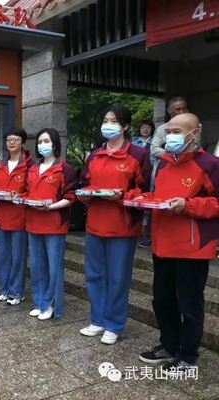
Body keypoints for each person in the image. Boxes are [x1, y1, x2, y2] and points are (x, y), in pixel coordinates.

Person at [138, 113, 219, 377]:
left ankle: (188, 356)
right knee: (163, 299)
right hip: (162, 243)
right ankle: (169, 346)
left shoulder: (210, 164)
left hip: (191, 247)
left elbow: (216, 202)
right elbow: (159, 195)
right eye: (168, 131)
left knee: (189, 305)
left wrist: (188, 205)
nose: (169, 136)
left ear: (194, 134)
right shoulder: (163, 163)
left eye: (176, 132)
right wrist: (143, 198)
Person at [77, 105, 151, 345]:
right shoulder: (95, 155)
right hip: (95, 223)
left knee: (118, 277)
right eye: (105, 120)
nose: (108, 125)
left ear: (126, 126)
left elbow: (144, 191)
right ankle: (97, 320)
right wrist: (87, 194)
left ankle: (114, 324)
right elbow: (83, 184)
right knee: (94, 275)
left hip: (122, 225)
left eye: (114, 121)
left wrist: (122, 196)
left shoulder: (138, 155)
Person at [25, 129, 78, 320]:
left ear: (55, 144)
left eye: (46, 141)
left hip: (54, 223)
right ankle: (39, 302)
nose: (42, 145)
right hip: (33, 221)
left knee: (54, 266)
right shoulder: (32, 168)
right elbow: (27, 192)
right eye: (40, 142)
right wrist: (20, 199)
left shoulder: (65, 168)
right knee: (37, 265)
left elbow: (70, 197)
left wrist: (51, 207)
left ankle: (51, 304)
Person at [0, 128, 33, 305]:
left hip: (20, 217)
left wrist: (20, 196)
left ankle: (16, 292)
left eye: (16, 139)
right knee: (3, 257)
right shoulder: (1, 165)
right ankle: (4, 290)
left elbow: (32, 191)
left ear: (23, 143)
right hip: (2, 216)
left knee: (18, 257)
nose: (11, 142)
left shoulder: (30, 166)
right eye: (9, 139)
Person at [132, 120, 156, 249]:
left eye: (148, 127)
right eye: (143, 127)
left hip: (151, 174)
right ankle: (137, 226)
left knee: (149, 199)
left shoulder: (155, 144)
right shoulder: (133, 143)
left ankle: (146, 227)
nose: (145, 129)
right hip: (136, 174)